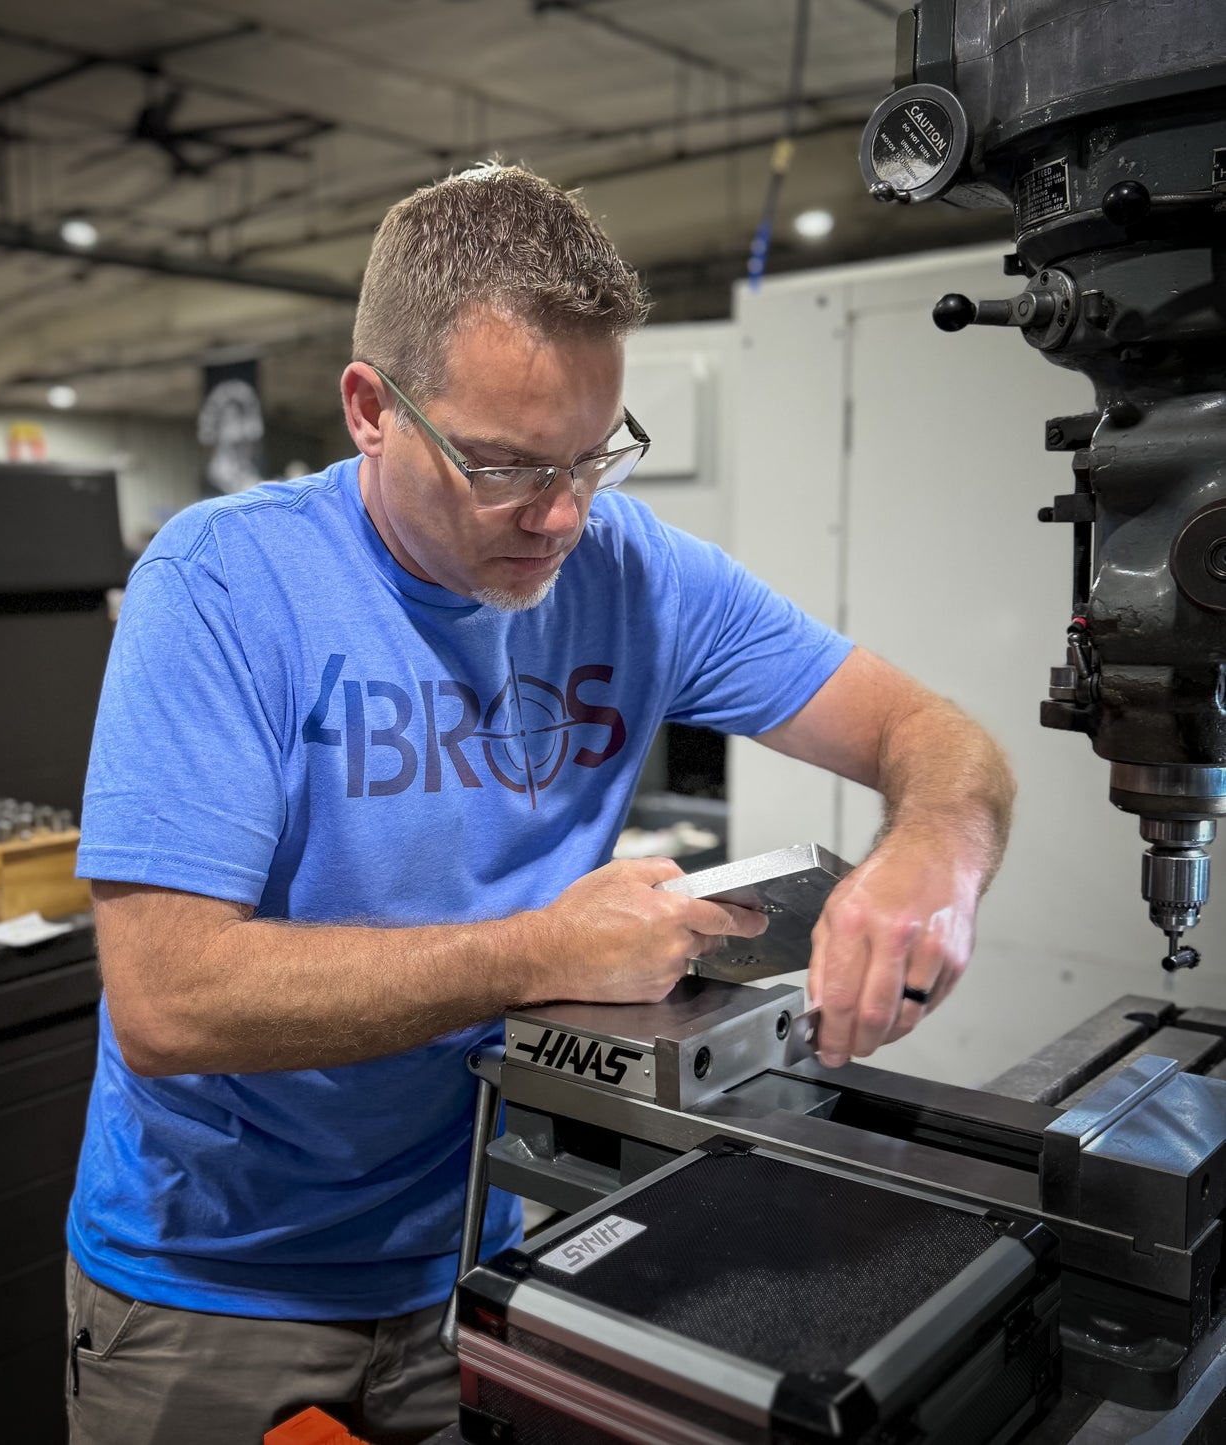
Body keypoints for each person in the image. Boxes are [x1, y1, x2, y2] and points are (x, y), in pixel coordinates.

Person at [65, 162, 1013, 1445]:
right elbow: (169, 995)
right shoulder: (225, 586)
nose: (560, 517)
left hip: (482, 1243)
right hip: (215, 1289)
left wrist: (933, 855)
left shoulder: (634, 570)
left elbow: (931, 735)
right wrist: (542, 950)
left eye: (595, 456)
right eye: (503, 464)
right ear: (367, 408)